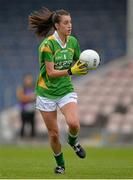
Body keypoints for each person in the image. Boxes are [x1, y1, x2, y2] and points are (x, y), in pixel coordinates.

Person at [28, 7, 88, 174]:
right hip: (46, 93)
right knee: (54, 134)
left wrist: (88, 63)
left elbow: (79, 61)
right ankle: (61, 165)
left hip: (65, 90)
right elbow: (51, 73)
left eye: (70, 22)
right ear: (57, 26)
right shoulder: (47, 45)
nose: (70, 26)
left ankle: (73, 142)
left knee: (74, 124)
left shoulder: (73, 42)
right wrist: (71, 71)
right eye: (66, 23)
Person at [16, 74, 36, 138]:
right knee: (23, 124)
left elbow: (36, 97)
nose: (29, 80)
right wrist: (30, 98)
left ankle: (32, 138)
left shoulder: (34, 88)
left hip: (32, 110)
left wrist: (32, 98)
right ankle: (21, 138)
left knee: (32, 124)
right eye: (28, 79)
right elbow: (21, 98)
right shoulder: (22, 88)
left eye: (30, 79)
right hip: (24, 110)